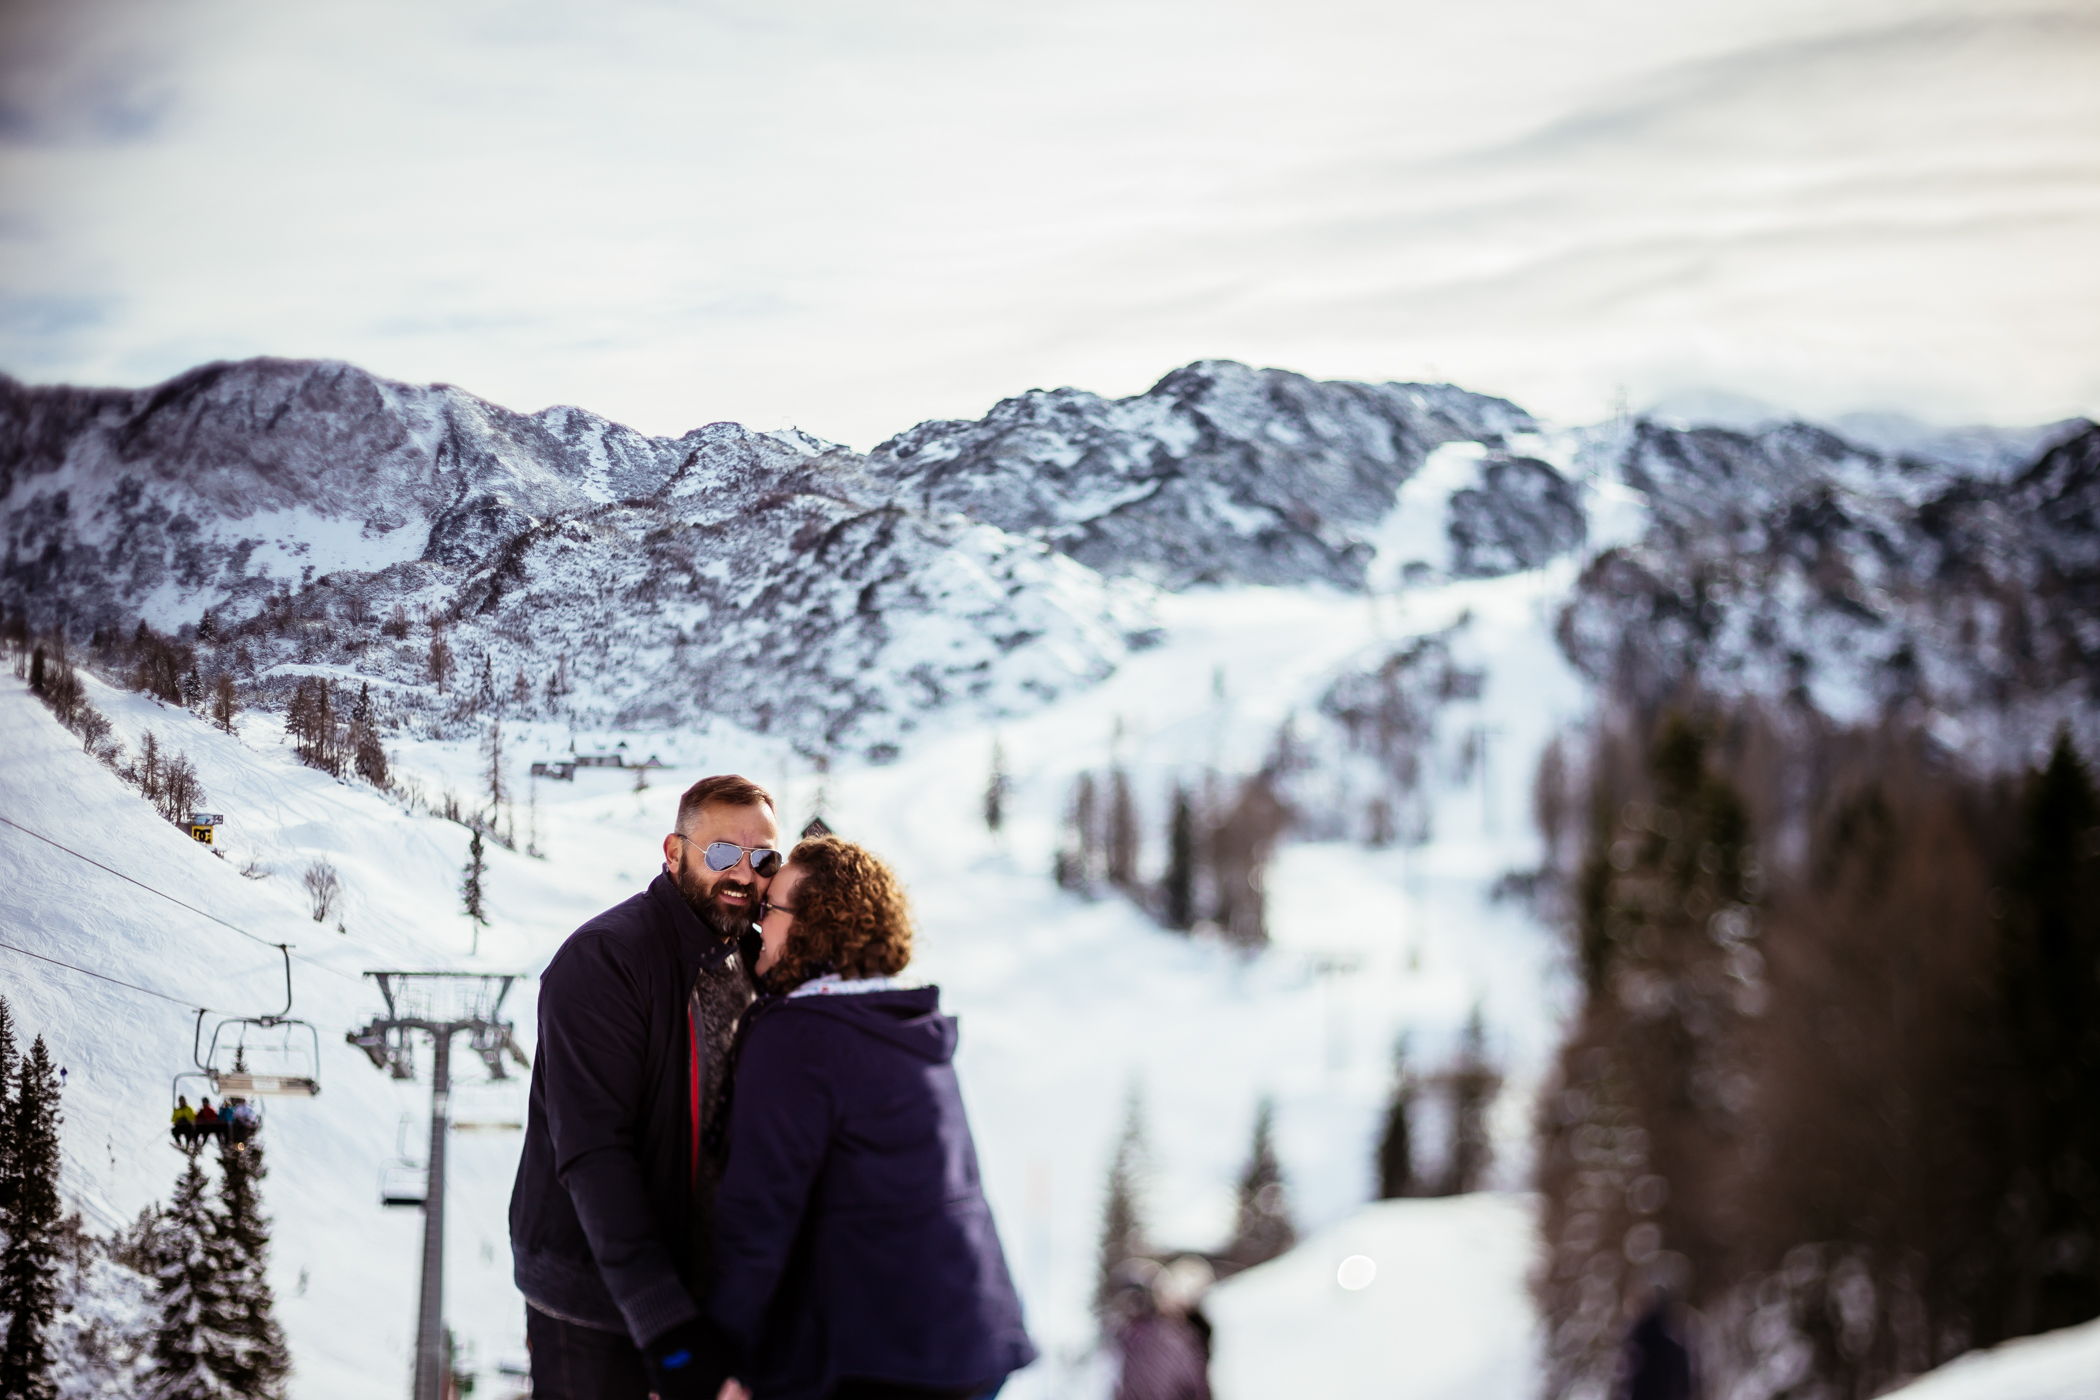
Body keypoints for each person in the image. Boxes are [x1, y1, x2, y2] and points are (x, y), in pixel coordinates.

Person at [702, 835, 1036, 1400]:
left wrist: (718, 1358)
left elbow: (759, 1213)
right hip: (969, 1339)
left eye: (770, 909)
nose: (758, 924)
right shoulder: (899, 1022)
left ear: (813, 927)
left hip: (884, 1358)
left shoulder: (801, 1036)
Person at [509, 775, 781, 1400]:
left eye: (763, 858)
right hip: (596, 1304)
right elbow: (594, 1154)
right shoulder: (606, 960)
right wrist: (666, 1325)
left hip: (701, 1290)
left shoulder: (752, 959)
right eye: (722, 853)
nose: (744, 874)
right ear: (674, 851)